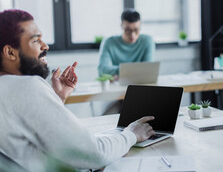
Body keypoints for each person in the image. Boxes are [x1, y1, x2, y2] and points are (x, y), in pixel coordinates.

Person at [0, 10, 156, 171]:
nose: (45, 46)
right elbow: (93, 155)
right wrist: (131, 134)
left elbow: (36, 140)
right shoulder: (27, 86)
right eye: (35, 40)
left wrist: (57, 99)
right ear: (10, 52)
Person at [97, 9, 155, 77]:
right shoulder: (109, 42)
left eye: (136, 30)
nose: (132, 35)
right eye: (128, 30)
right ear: (121, 26)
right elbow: (102, 70)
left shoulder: (147, 41)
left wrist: (120, 72)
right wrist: (136, 71)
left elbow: (148, 70)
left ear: (140, 26)